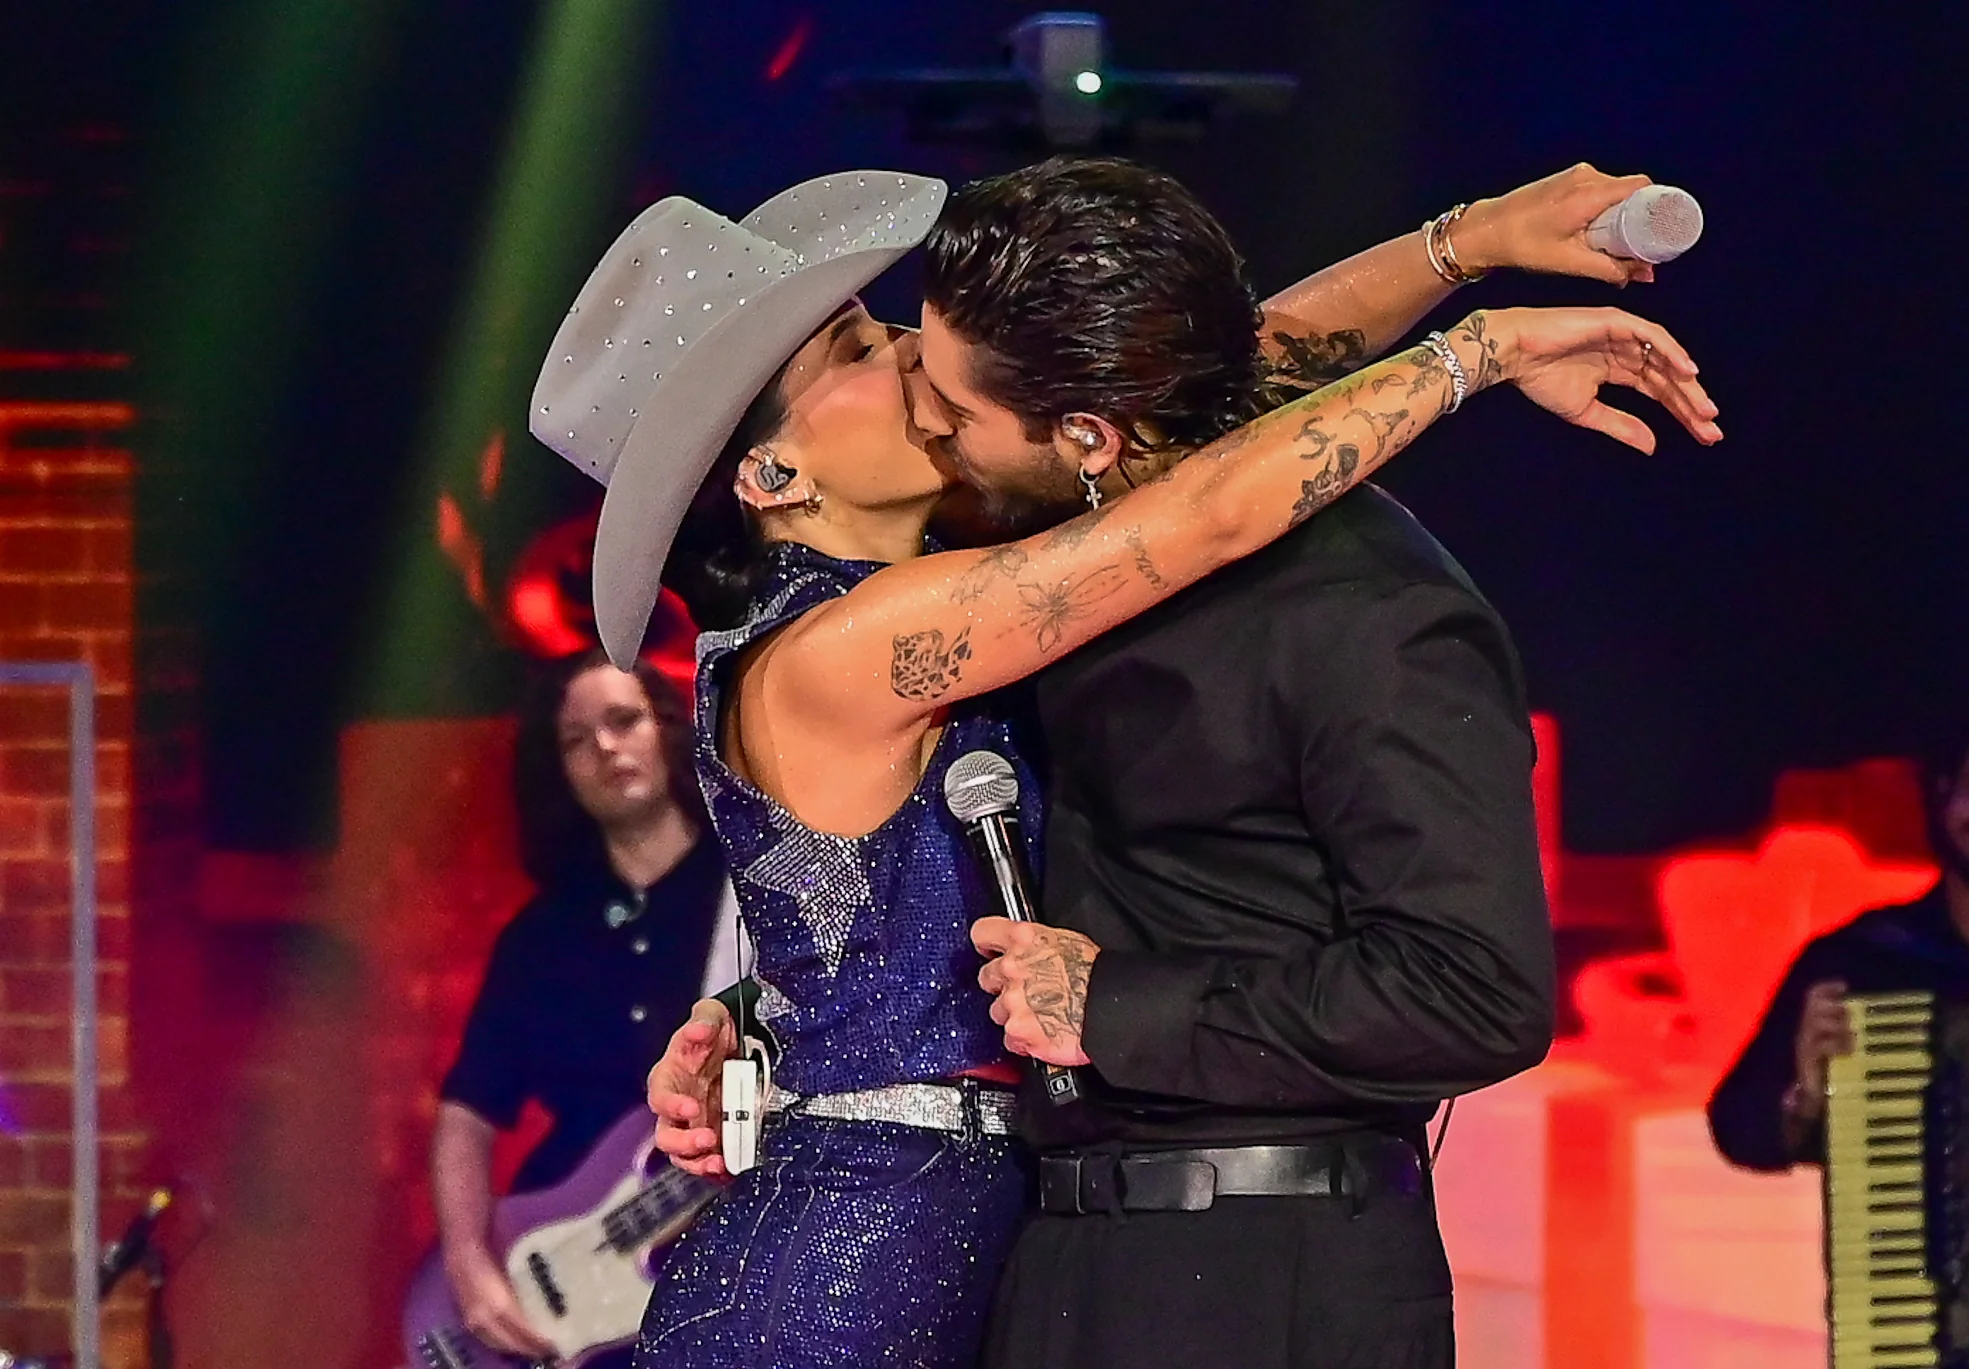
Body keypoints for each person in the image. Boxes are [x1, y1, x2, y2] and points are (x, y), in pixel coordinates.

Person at [554, 161, 1717, 1367]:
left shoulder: (971, 557)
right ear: (772, 474)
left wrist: (1464, 240)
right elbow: (1201, 505)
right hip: (849, 1269)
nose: (907, 361)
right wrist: (1478, 351)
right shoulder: (847, 642)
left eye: (878, 328)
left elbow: (1204, 388)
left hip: (1018, 1246)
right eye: (855, 352)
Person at [430, 651, 740, 1360]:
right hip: (561, 1278)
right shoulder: (540, 937)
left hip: (726, 1267)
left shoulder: (749, 895)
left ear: (668, 729)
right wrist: (469, 1263)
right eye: (575, 739)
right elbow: (466, 1112)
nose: (604, 746)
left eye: (623, 720)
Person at [1709, 691, 1969, 1173]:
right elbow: (1738, 1127)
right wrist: (1804, 1098)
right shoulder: (1858, 959)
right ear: (1944, 794)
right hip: (1910, 1226)